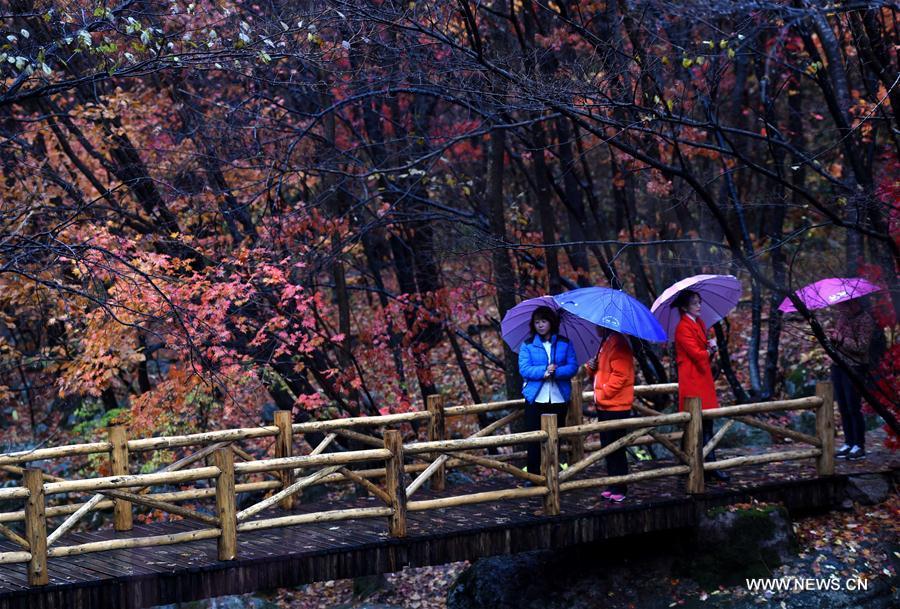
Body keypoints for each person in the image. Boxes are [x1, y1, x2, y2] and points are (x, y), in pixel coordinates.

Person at [671, 289, 729, 482]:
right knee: (695, 424)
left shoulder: (700, 323)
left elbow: (701, 352)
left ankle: (707, 464)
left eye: (699, 302)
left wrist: (710, 348)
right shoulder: (682, 328)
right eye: (695, 303)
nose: (699, 306)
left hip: (702, 378)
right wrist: (708, 349)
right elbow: (696, 354)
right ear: (684, 306)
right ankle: (690, 465)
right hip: (692, 379)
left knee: (707, 422)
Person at [518, 306, 578, 476]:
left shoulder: (564, 343)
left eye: (544, 321)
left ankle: (553, 473)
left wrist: (556, 372)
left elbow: (573, 366)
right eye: (537, 322)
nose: (540, 325)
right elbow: (524, 369)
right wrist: (544, 371)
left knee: (556, 438)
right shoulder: (528, 345)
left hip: (559, 397)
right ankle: (534, 475)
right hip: (536, 398)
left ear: (551, 322)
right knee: (534, 439)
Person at [585, 327, 634, 503]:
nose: (594, 327)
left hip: (616, 405)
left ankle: (620, 486)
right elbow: (600, 372)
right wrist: (590, 368)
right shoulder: (605, 343)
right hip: (606, 405)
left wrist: (603, 393)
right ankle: (612, 484)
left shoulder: (618, 343)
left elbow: (621, 376)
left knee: (617, 447)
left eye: (596, 324)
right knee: (608, 446)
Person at [829, 299, 875, 461]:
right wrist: (832, 338)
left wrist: (841, 339)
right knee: (842, 406)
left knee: (853, 406)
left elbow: (862, 347)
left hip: (855, 368)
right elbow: (838, 342)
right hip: (838, 365)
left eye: (843, 305)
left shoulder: (865, 320)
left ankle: (859, 445)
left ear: (853, 304)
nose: (840, 308)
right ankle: (848, 442)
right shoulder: (842, 317)